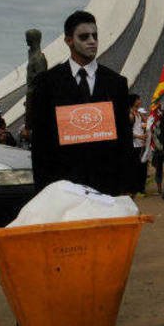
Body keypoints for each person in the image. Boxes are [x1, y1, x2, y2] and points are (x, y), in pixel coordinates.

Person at [30, 11, 135, 195]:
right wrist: (43, 191)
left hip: (107, 187)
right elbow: (41, 144)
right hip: (63, 187)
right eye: (84, 36)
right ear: (69, 40)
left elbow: (124, 140)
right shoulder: (47, 83)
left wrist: (126, 186)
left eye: (95, 36)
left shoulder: (116, 83)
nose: (92, 41)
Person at [129, 94, 148, 195]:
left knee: (143, 167)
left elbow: (146, 124)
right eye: (138, 99)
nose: (140, 101)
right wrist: (139, 136)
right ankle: (135, 188)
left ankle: (141, 188)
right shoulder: (130, 114)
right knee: (135, 167)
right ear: (133, 101)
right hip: (134, 145)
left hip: (142, 144)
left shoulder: (139, 114)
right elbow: (127, 131)